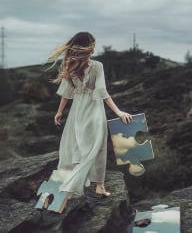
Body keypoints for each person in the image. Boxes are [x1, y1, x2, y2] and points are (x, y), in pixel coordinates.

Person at [47, 31, 132, 197]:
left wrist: (59, 112)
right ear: (89, 46)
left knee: (78, 145)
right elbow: (102, 92)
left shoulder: (71, 66)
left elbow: (67, 93)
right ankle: (98, 186)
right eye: (93, 43)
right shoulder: (96, 66)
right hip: (93, 109)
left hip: (77, 110)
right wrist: (118, 111)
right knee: (97, 145)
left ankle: (80, 182)